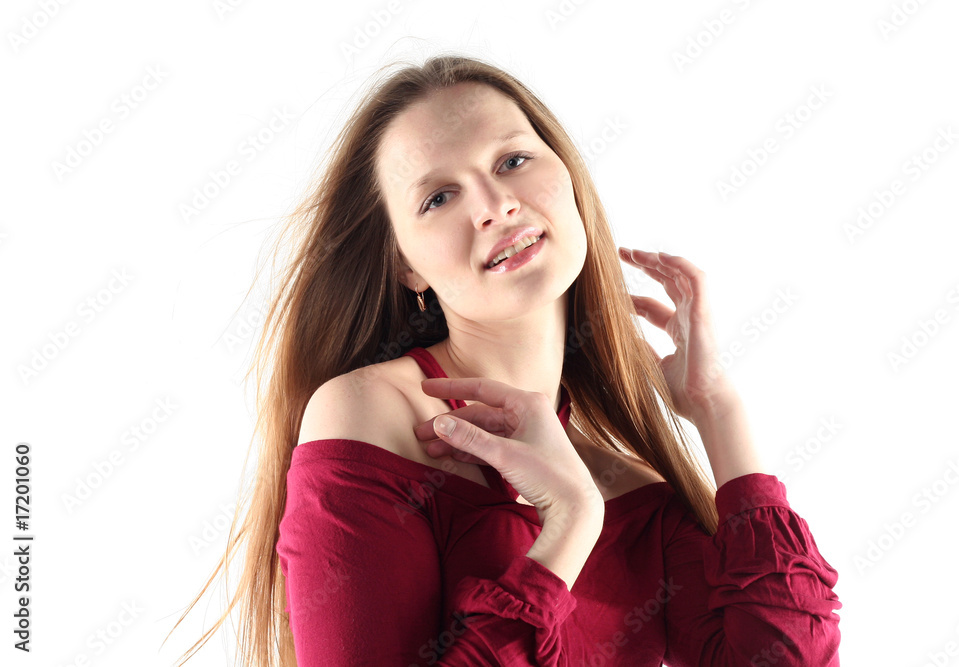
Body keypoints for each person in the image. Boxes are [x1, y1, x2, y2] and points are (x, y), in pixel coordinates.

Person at [165, 53, 841, 666]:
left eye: (513, 160)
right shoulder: (371, 413)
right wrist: (567, 525)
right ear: (405, 264)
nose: (496, 205)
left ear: (569, 174)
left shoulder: (633, 492)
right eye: (438, 197)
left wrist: (719, 411)